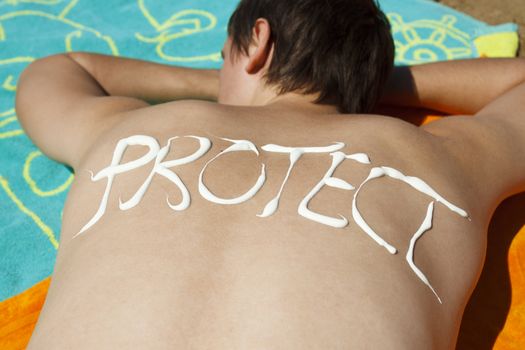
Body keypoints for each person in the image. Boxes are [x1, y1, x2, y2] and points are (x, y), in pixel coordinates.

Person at [15, 0, 524, 348]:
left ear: (258, 40)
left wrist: (215, 87)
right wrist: (367, 83)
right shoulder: (434, 159)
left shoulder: (130, 130)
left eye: (221, 60)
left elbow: (57, 69)